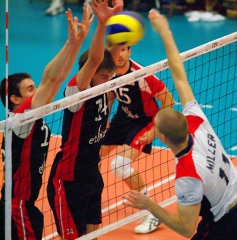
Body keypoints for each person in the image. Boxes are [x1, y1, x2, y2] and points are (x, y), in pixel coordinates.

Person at [123, 9, 237, 240]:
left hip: (224, 224)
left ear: (162, 138)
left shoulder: (187, 173)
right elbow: (179, 75)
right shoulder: (197, 120)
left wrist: (150, 205)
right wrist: (165, 32)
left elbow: (185, 229)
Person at [0, 6, 93, 240]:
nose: (37, 91)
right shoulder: (20, 119)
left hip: (25, 205)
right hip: (16, 207)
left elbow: (57, 78)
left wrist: (76, 42)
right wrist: (69, 43)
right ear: (15, 99)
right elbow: (51, 77)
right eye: (30, 89)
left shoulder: (33, 118)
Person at [46, 0, 123, 239]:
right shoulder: (77, 91)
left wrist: (114, 18)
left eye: (110, 77)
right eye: (103, 76)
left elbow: (112, 53)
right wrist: (101, 24)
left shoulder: (101, 84)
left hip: (92, 174)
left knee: (92, 235)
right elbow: (96, 59)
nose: (108, 81)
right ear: (88, 74)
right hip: (69, 180)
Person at [100, 45, 174, 234]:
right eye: (117, 50)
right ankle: (89, 199)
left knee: (119, 165)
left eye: (125, 49)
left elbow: (169, 101)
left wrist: (155, 130)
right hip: (122, 118)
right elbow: (110, 93)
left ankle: (151, 212)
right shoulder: (109, 70)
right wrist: (106, 118)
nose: (120, 54)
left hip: (145, 121)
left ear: (130, 52)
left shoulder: (143, 76)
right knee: (92, 156)